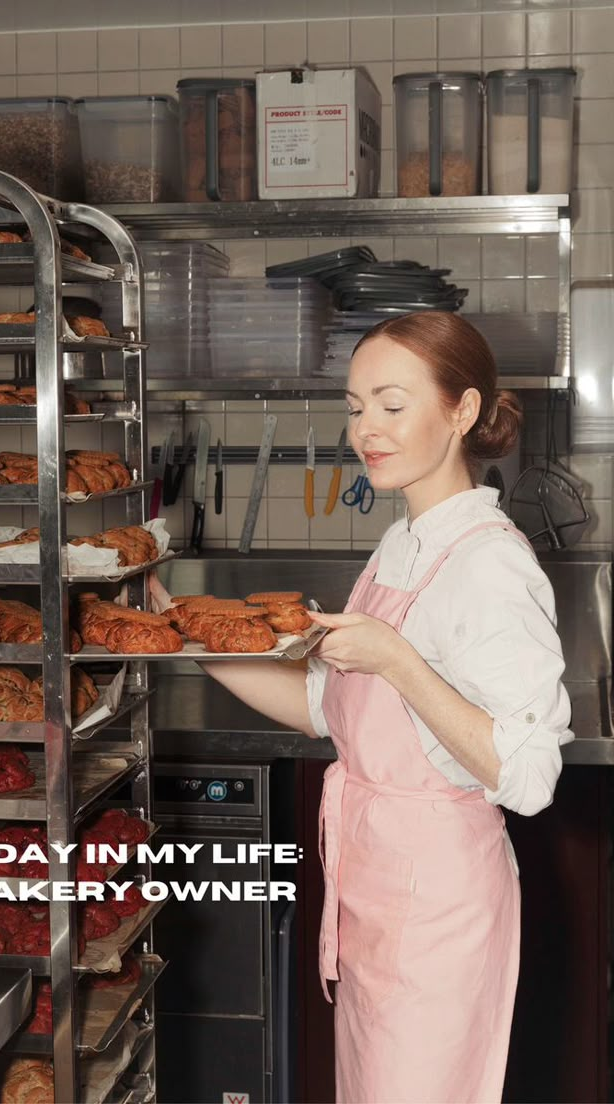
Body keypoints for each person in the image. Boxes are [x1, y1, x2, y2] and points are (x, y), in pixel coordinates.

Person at [149, 310, 573, 1104]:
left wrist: (398, 660)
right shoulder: (402, 543)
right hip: (376, 889)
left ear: (464, 411)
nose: (365, 430)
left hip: (439, 905)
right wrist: (178, 634)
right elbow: (325, 705)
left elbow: (529, 774)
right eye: (354, 406)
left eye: (391, 403)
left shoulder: (490, 565)